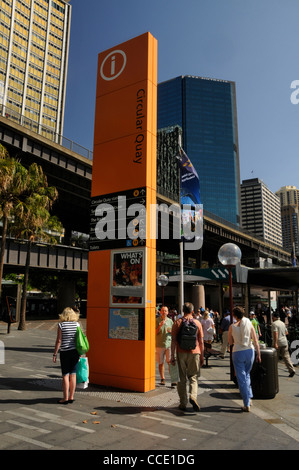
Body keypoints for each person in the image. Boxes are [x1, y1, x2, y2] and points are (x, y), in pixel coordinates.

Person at [171, 302, 204, 412]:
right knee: (193, 377)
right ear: (192, 311)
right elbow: (201, 341)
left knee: (181, 378)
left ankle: (183, 403)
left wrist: (172, 355)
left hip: (181, 352)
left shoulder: (177, 323)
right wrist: (202, 356)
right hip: (195, 352)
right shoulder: (197, 323)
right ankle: (193, 396)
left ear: (182, 311)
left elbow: (173, 341)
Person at [228, 306, 261, 412]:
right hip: (249, 351)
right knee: (247, 375)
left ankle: (246, 403)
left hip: (238, 351)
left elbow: (230, 342)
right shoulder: (249, 323)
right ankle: (249, 396)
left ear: (234, 315)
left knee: (241, 379)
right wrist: (258, 354)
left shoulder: (232, 327)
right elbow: (255, 340)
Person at [53, 307, 81, 404]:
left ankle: (65, 398)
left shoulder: (61, 325)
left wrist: (55, 353)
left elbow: (59, 340)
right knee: (73, 374)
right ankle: (71, 397)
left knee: (65, 375)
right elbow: (78, 339)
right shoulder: (77, 324)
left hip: (65, 352)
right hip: (75, 352)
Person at [271, 311, 295, 377]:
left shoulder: (274, 324)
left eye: (272, 316)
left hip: (278, 343)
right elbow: (286, 332)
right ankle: (292, 370)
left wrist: (275, 343)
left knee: (275, 358)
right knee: (286, 357)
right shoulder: (283, 323)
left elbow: (275, 333)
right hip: (284, 342)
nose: (272, 317)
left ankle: (273, 372)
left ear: (274, 317)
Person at [155, 305, 174, 385]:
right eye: (162, 310)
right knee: (161, 363)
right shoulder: (157, 320)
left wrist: (171, 332)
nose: (164, 312)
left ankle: (173, 379)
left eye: (165, 311)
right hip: (159, 344)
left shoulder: (170, 321)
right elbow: (154, 332)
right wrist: (160, 325)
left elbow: (173, 332)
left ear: (168, 312)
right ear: (160, 312)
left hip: (168, 344)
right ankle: (162, 378)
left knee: (170, 362)